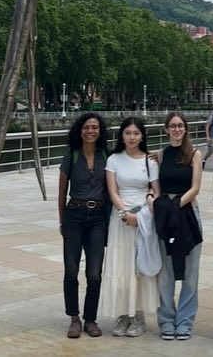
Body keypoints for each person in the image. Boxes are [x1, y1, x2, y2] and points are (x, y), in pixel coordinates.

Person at [100, 116, 159, 337]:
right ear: (121, 136)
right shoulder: (114, 159)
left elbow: (156, 190)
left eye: (136, 133)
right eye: (128, 133)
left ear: (142, 136)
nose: (132, 137)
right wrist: (125, 213)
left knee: (139, 265)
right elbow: (112, 191)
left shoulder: (150, 161)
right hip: (121, 218)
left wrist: (141, 214)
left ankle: (138, 315)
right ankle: (123, 313)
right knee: (120, 265)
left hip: (143, 218)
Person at [57, 112, 110, 338]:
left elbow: (131, 158)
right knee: (71, 270)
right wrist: (62, 220)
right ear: (80, 131)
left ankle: (90, 319)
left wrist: (156, 156)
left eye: (95, 127)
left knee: (94, 273)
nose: (90, 131)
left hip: (98, 218)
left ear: (100, 131)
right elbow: (62, 191)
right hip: (74, 216)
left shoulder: (106, 155)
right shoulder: (72, 156)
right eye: (86, 127)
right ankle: (74, 317)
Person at [154, 111, 204, 340]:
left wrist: (176, 205)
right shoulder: (161, 155)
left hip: (187, 211)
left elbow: (195, 187)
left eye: (180, 125)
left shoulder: (194, 154)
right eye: (173, 126)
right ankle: (166, 319)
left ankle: (185, 321)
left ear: (185, 128)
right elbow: (154, 183)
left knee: (191, 271)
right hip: (166, 213)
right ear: (166, 129)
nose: (177, 129)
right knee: (165, 270)